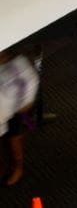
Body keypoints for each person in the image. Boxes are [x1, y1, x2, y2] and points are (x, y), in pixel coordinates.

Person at [0, 48, 39, 186]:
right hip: (3, 113)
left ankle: (17, 168)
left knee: (13, 142)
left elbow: (28, 96)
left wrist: (21, 107)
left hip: (16, 111)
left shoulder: (20, 67)